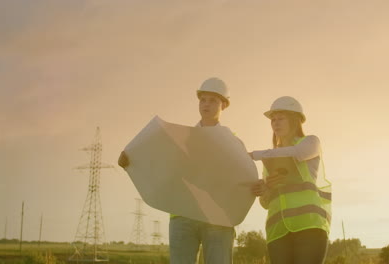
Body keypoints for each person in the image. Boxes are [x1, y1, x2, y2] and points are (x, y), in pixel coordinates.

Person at [118, 77, 235, 264]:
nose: (206, 104)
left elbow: (239, 176)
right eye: (203, 99)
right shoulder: (182, 138)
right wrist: (131, 160)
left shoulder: (232, 141)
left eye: (213, 100)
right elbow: (159, 162)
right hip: (183, 214)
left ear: (224, 105)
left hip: (217, 217)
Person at [249, 96, 332, 264]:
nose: (275, 123)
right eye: (273, 120)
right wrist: (265, 190)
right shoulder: (270, 159)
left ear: (295, 120)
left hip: (308, 227)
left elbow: (297, 154)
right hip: (277, 231)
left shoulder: (309, 142)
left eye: (280, 118)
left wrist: (253, 155)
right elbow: (266, 203)